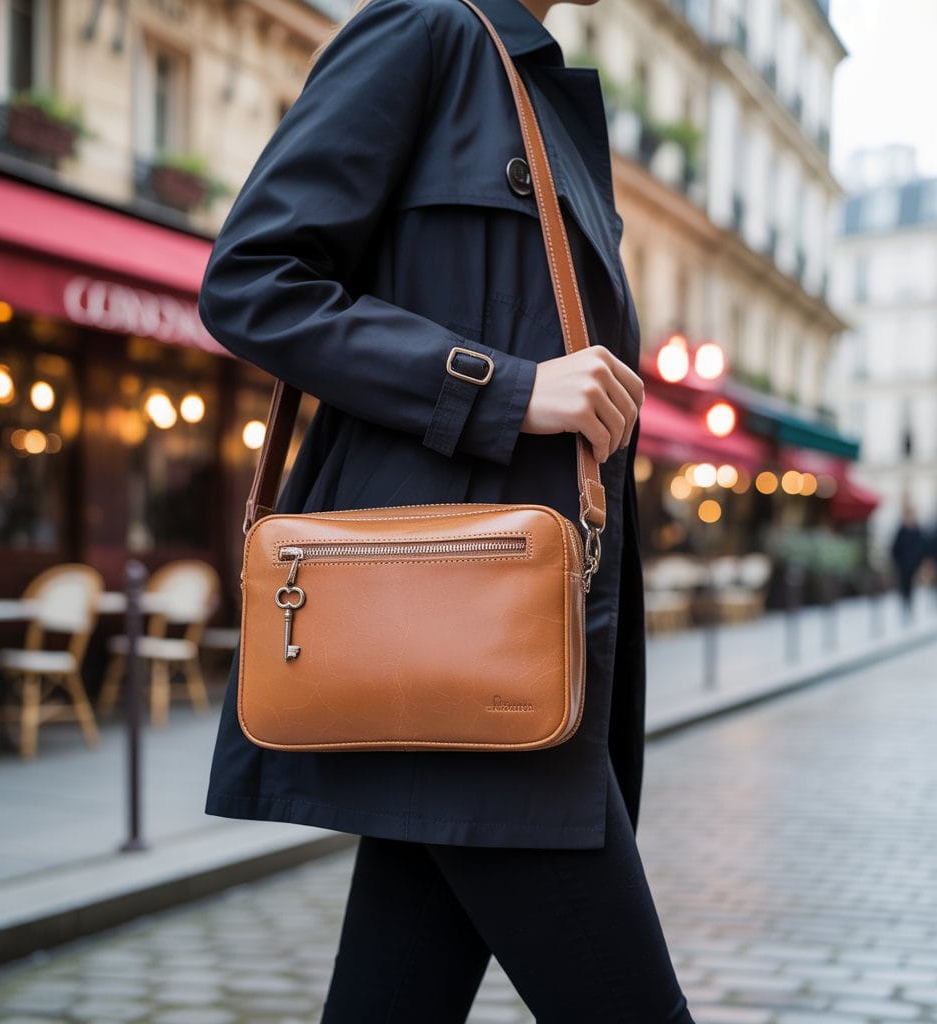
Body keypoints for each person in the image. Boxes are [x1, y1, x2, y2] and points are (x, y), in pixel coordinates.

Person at [197, 0, 695, 1020]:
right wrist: (506, 388)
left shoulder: (540, 98)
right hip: (458, 631)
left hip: (509, 644)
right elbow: (251, 280)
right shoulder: (425, 30)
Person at [890, 503, 927, 618]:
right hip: (904, 566)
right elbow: (895, 549)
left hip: (915, 566)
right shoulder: (901, 531)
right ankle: (906, 609)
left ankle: (912, 610)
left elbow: (923, 548)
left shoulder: (918, 531)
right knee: (905, 588)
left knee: (915, 589)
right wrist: (898, 562)